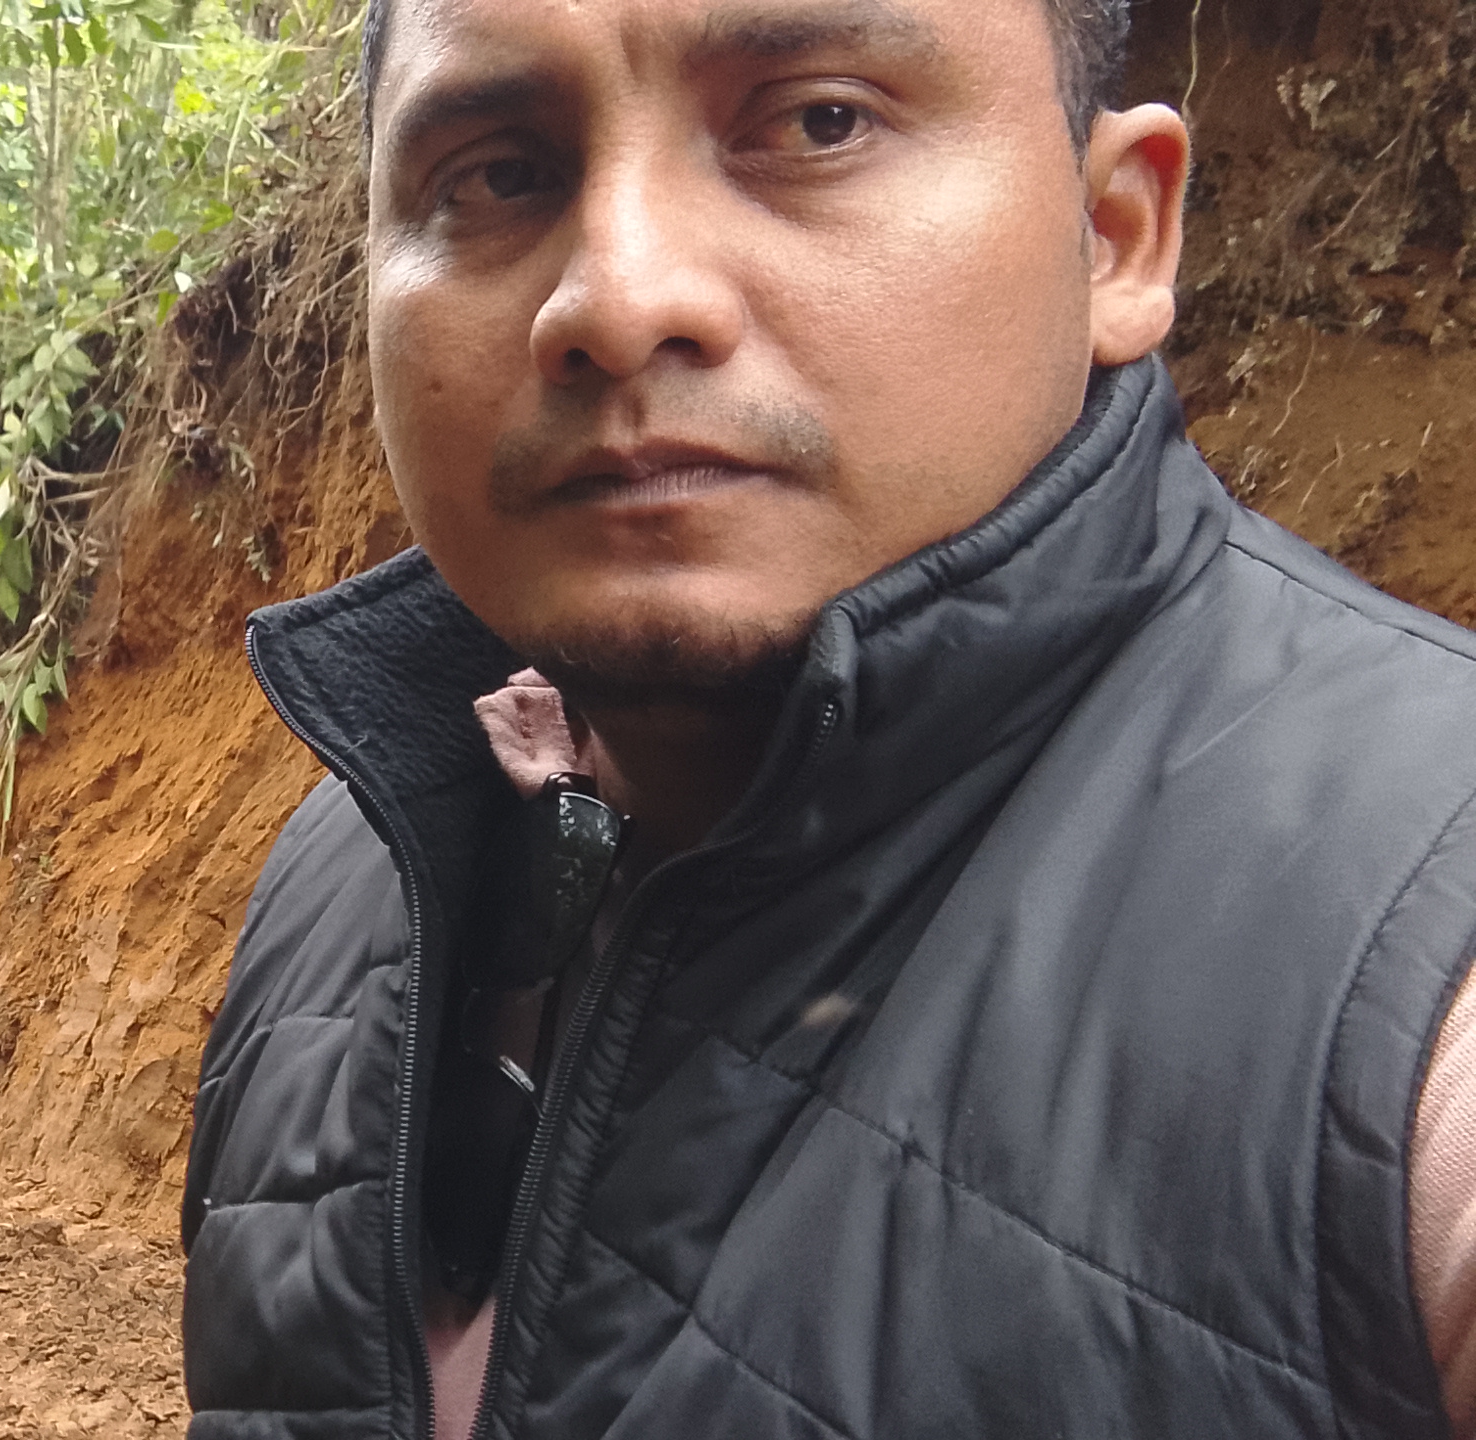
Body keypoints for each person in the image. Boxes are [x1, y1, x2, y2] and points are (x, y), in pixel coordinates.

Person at [183, 3, 1476, 1438]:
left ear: (1114, 234)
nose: (618, 298)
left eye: (818, 123)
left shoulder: (1423, 992)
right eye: (497, 174)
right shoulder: (344, 866)